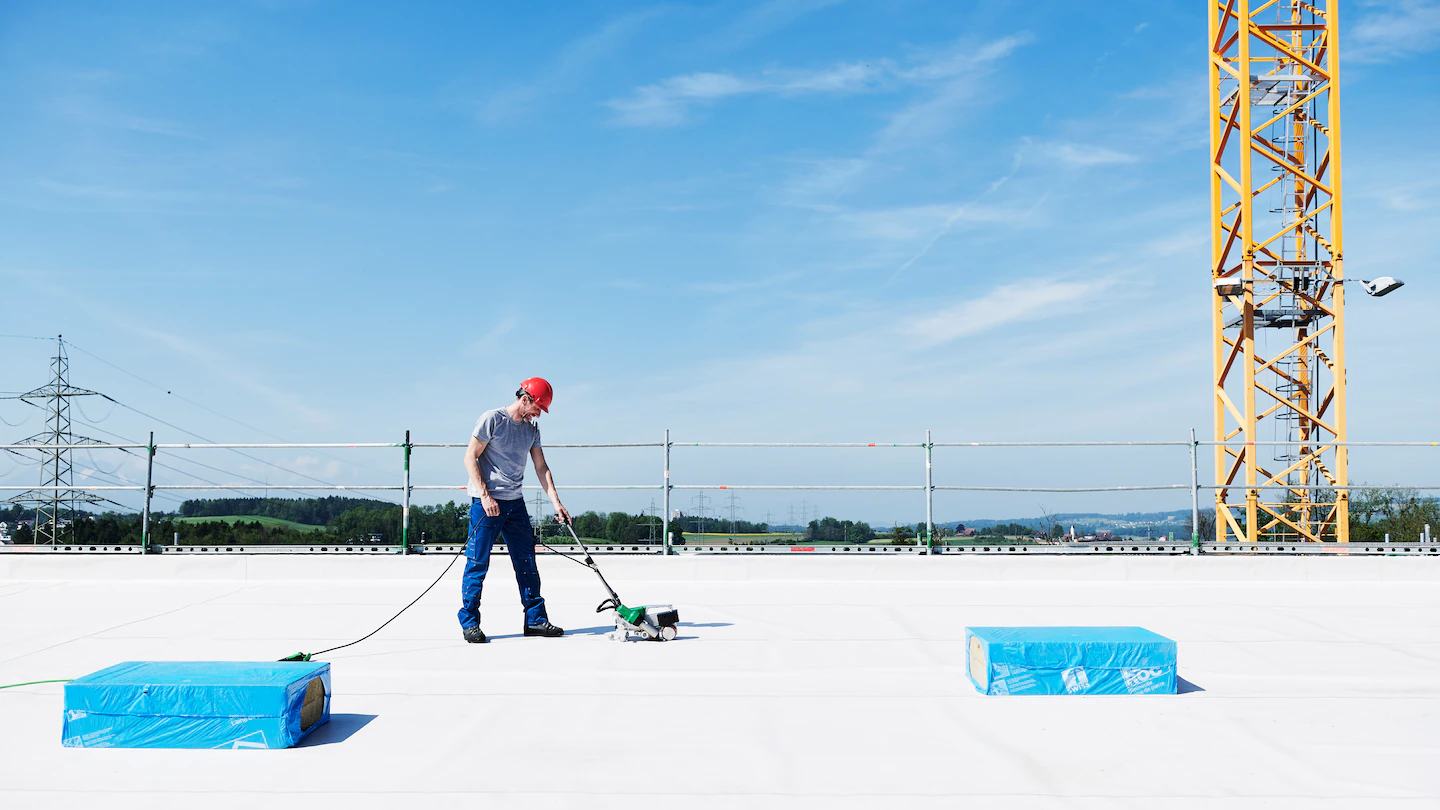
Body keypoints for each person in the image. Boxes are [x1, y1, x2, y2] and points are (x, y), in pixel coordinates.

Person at [456, 377, 571, 643]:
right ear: (525, 399)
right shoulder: (492, 419)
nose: (538, 414)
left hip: (515, 503)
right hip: (486, 505)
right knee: (477, 563)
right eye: (537, 408)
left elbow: (541, 467)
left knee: (527, 562)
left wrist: (556, 502)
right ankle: (470, 623)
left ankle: (536, 620)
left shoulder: (531, 430)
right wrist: (485, 496)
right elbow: (469, 456)